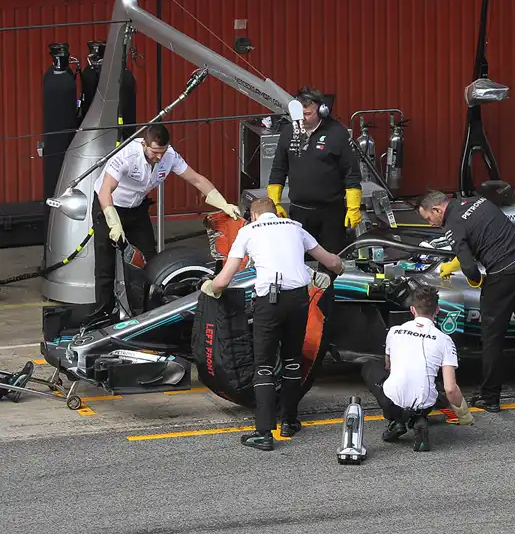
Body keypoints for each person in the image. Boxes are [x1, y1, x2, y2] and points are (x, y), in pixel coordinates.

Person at [201, 196, 345, 451]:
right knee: (292, 361)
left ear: (254, 215)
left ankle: (264, 433)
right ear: (276, 214)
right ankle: (289, 421)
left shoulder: (248, 231)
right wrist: (341, 268)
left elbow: (223, 280)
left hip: (270, 301)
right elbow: (331, 261)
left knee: (264, 366)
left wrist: (209, 288)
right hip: (299, 299)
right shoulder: (295, 227)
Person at [417, 189, 515, 413]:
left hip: (503, 273)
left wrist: (478, 281)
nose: (430, 223)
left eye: (428, 218)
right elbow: (483, 234)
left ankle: (491, 397)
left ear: (437, 209)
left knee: (492, 338)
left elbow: (470, 268)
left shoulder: (452, 224)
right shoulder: (479, 201)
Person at [88, 124, 241, 324]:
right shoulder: (125, 155)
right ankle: (104, 313)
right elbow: (105, 190)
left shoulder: (169, 155)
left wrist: (224, 204)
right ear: (144, 144)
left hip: (137, 208)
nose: (159, 157)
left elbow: (196, 180)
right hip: (108, 206)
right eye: (154, 152)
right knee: (105, 264)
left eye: (162, 152)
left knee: (150, 261)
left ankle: (146, 312)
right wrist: (114, 223)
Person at [361, 285, 475, 452]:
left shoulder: (394, 331)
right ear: (437, 310)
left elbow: (388, 366)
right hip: (425, 403)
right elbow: (450, 389)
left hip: (393, 400)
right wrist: (464, 415)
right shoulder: (445, 340)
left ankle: (397, 420)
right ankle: (418, 418)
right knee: (433, 382)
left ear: (412, 309)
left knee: (371, 367)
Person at [266, 86, 362, 260]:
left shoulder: (337, 133)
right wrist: (275, 204)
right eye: (300, 114)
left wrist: (353, 207)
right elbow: (278, 169)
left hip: (331, 213)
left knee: (332, 260)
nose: (303, 118)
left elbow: (351, 172)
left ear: (321, 110)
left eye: (308, 114)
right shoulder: (289, 132)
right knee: (299, 261)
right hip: (299, 212)